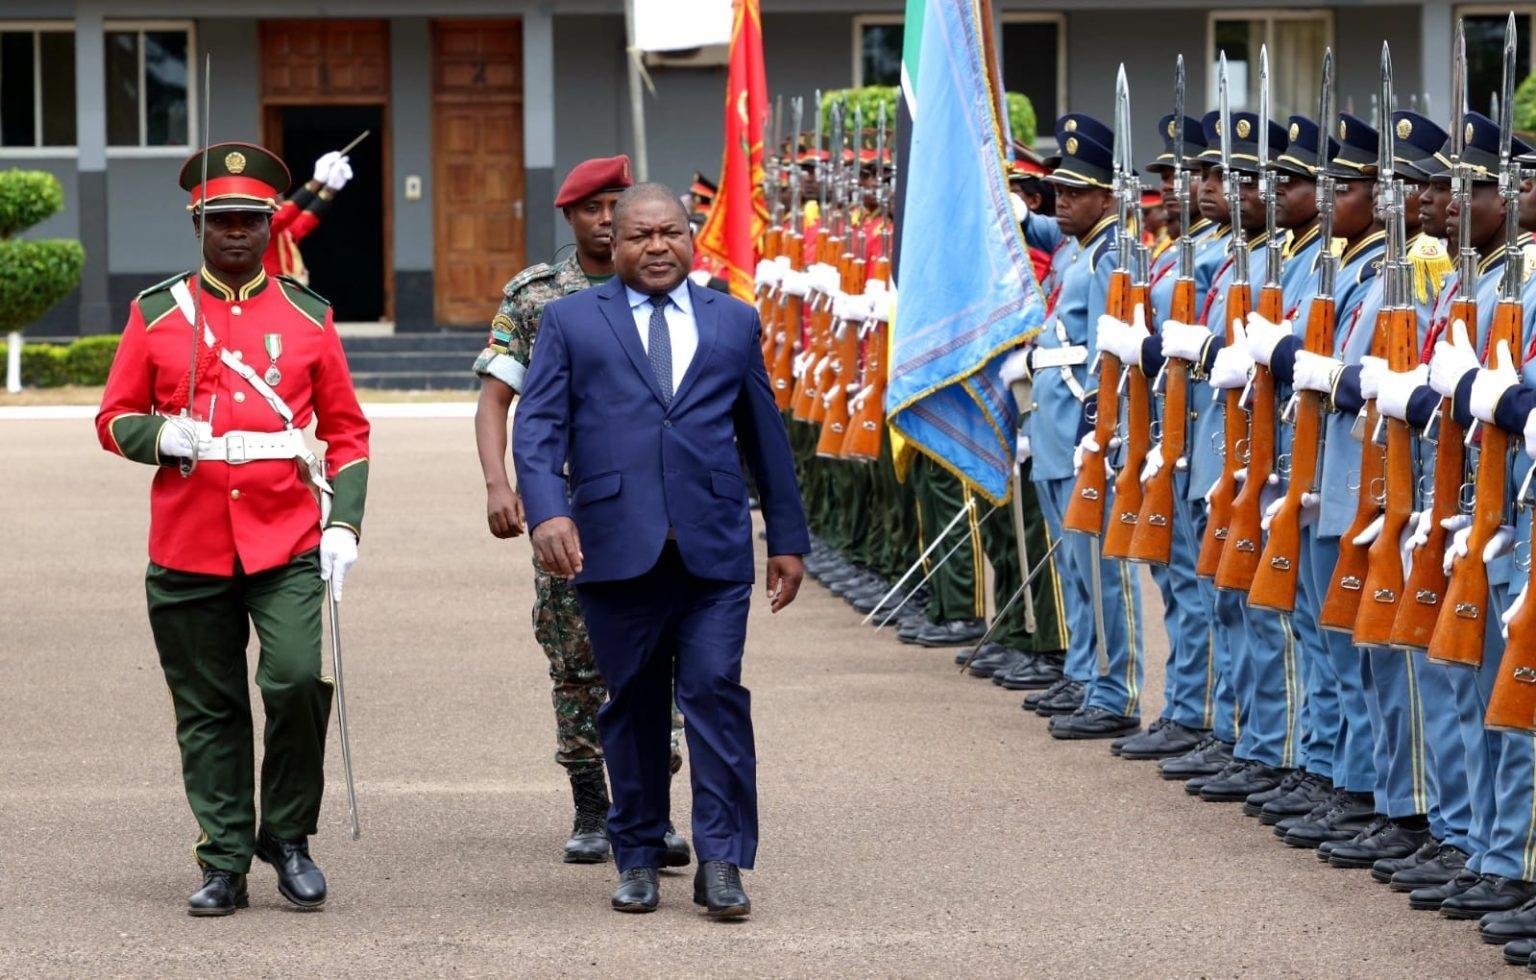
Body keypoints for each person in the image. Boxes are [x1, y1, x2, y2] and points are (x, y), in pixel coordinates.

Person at [513, 182, 809, 917]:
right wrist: (548, 512)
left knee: (714, 695)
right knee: (634, 703)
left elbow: (764, 437)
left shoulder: (732, 321)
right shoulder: (571, 321)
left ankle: (723, 861)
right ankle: (637, 852)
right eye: (640, 235)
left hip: (712, 550)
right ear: (612, 244)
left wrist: (788, 538)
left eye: (669, 233)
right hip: (614, 548)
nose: (656, 247)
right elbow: (539, 426)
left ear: (691, 237)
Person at [94, 141, 370, 916]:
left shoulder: (308, 316)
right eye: (223, 221)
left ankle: (285, 836)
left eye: (251, 219)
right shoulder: (155, 313)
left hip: (285, 538)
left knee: (292, 682)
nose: (239, 233)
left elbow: (347, 432)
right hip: (188, 543)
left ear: (270, 223)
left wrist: (343, 522)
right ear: (198, 224)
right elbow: (111, 419)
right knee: (209, 708)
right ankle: (222, 859)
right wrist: (159, 437)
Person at [472, 154, 691, 867]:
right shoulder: (538, 299)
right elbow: (497, 398)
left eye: (616, 206)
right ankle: (592, 804)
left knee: (663, 650)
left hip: (653, 504)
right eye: (593, 208)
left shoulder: (676, 285)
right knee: (575, 657)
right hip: (568, 505)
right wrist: (500, 485)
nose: (607, 220)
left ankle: (649, 806)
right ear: (569, 217)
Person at [264, 150, 354, 282]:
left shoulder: (283, 230)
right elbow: (284, 216)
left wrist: (330, 189)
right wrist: (316, 182)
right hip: (271, 289)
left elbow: (305, 221)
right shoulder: (262, 225)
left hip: (288, 288)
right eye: (276, 194)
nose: (281, 198)